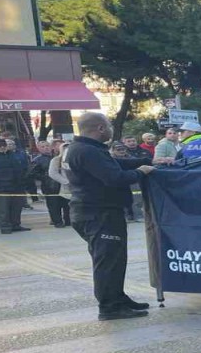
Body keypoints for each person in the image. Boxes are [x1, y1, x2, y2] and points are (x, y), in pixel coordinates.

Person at [66, 112, 156, 320]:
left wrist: (147, 160)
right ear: (100, 128)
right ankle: (109, 307)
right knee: (107, 262)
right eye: (108, 125)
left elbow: (115, 164)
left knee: (115, 259)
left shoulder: (88, 148)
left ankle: (117, 297)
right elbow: (114, 177)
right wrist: (142, 171)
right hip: (98, 214)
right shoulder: (87, 151)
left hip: (99, 212)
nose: (110, 129)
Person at [31, 141, 69, 228]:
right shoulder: (37, 160)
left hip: (61, 184)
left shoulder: (57, 157)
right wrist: (45, 177)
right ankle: (57, 222)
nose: (46, 148)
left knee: (66, 203)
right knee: (53, 205)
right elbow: (32, 173)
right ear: (39, 148)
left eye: (47, 146)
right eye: (43, 147)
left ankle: (68, 220)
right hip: (49, 186)